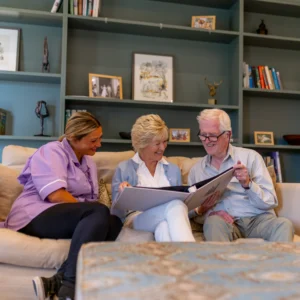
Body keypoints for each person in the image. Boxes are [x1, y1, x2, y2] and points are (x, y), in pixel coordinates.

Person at [0, 112, 123, 300]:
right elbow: (56, 195)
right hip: (34, 214)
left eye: (99, 139)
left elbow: (90, 201)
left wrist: (94, 215)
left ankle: (58, 280)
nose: (99, 144)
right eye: (93, 140)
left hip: (65, 216)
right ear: (74, 138)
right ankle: (70, 286)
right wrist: (91, 213)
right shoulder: (52, 151)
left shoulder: (89, 161)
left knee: (114, 222)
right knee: (99, 211)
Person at [188, 108, 294, 242]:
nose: (207, 140)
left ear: (228, 134)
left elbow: (270, 201)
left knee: (284, 224)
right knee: (213, 222)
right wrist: (203, 209)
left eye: (213, 135)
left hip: (258, 220)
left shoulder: (251, 157)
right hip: (225, 223)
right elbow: (189, 212)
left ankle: (278, 264)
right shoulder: (196, 170)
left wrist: (248, 184)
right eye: (203, 135)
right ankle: (221, 263)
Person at [111, 114, 195, 242]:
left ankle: (174, 261)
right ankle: (192, 254)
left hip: (165, 217)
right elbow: (116, 214)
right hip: (136, 220)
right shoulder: (124, 168)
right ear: (142, 144)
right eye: (157, 143)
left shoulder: (173, 169)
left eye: (165, 141)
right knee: (176, 204)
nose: (163, 147)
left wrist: (198, 210)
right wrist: (123, 195)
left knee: (164, 227)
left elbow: (182, 212)